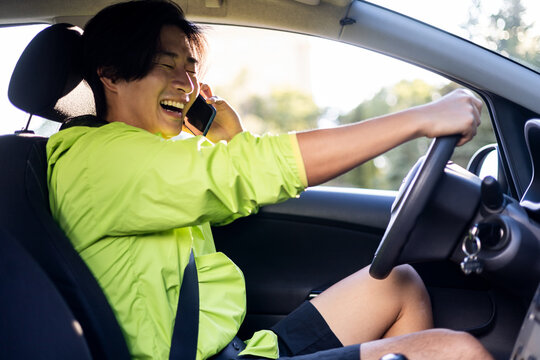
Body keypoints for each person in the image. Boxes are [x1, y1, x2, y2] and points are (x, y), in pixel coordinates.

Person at [46, 1, 493, 359]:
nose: (186, 82)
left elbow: (229, 185)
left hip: (234, 350)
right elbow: (254, 171)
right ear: (109, 75)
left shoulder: (151, 159)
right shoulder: (99, 160)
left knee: (399, 283)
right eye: (166, 64)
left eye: (190, 67)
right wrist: (420, 119)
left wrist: (230, 140)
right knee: (456, 351)